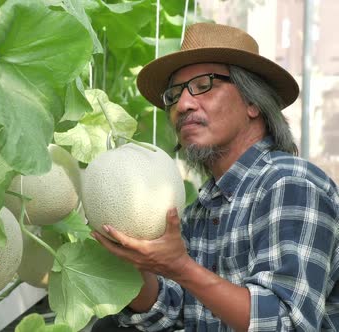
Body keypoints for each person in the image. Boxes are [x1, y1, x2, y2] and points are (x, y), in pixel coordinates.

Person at [91, 22, 339, 331]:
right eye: (174, 94)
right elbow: (170, 312)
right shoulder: (200, 209)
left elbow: (283, 323)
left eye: (204, 84)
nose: (182, 105)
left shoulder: (291, 185)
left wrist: (180, 267)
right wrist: (137, 261)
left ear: (253, 102)